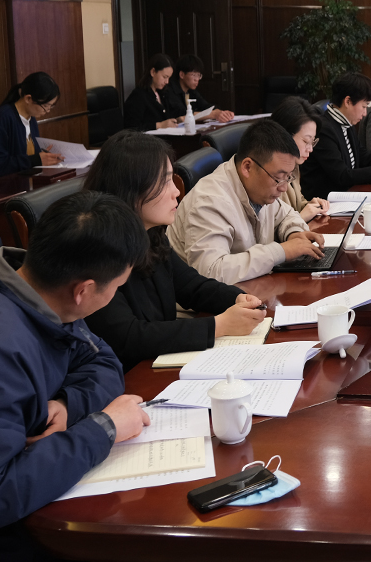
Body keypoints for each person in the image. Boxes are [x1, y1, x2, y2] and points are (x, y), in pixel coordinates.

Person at [0, 191, 151, 558]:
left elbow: (103, 362)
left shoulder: (37, 292)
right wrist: (103, 428)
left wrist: (69, 404)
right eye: (117, 287)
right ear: (84, 291)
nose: (115, 293)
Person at [83, 131, 266, 371]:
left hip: (156, 366)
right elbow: (128, 337)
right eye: (165, 182)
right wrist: (218, 326)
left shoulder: (152, 234)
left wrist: (237, 298)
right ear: (131, 188)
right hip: (128, 376)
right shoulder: (96, 249)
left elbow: (192, 286)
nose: (176, 191)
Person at [168, 120, 325, 284]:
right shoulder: (208, 202)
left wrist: (294, 234)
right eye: (279, 178)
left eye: (288, 177)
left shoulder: (259, 187)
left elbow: (286, 214)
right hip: (205, 300)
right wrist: (281, 251)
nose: (284, 188)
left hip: (249, 290)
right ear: (247, 167)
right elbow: (210, 271)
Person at [302, 73, 371, 199]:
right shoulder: (324, 130)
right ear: (348, 101)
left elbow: (365, 157)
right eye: (363, 106)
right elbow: (342, 176)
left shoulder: (346, 124)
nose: (365, 113)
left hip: (348, 195)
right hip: (325, 203)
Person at [0, 72, 64, 181]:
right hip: (3, 186)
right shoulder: (3, 117)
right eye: (46, 106)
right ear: (28, 99)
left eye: (51, 106)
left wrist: (43, 156)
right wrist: (35, 160)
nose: (47, 111)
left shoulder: (31, 117)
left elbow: (26, 156)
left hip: (25, 182)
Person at [269, 96, 332, 221]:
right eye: (306, 141)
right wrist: (301, 217)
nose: (310, 149)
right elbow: (270, 227)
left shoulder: (294, 164)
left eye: (313, 142)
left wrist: (310, 205)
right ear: (284, 135)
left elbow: (296, 203)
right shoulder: (267, 171)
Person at [162, 55, 234, 124]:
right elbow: (181, 113)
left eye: (199, 75)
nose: (197, 79)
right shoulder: (170, 90)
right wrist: (213, 114)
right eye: (194, 75)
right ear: (182, 74)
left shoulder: (191, 91)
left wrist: (220, 112)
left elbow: (205, 106)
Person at [123, 53, 180, 131]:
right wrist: (159, 125)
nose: (167, 82)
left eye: (169, 78)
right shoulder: (138, 96)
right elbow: (131, 127)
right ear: (153, 72)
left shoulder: (163, 93)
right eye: (164, 77)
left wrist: (178, 120)